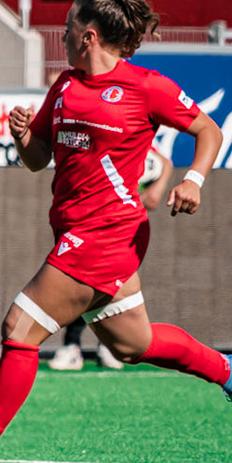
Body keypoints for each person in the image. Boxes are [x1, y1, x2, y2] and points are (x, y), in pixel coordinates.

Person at [0, 0, 232, 463]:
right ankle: (230, 371)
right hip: (78, 230)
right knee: (131, 345)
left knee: (19, 328)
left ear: (90, 36)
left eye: (68, 27)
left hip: (109, 232)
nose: (63, 35)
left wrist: (193, 179)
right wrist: (21, 136)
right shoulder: (64, 86)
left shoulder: (146, 87)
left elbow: (208, 131)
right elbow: (38, 161)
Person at [51, 145, 174, 371]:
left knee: (109, 288)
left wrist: (156, 189)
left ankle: (105, 346)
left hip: (122, 229)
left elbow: (164, 162)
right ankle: (73, 347)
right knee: (83, 286)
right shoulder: (95, 137)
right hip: (92, 224)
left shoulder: (130, 132)